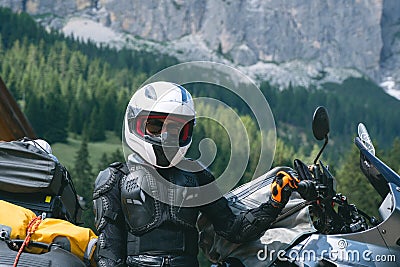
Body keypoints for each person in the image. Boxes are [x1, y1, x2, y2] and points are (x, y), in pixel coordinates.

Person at [92, 81, 300, 267]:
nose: (166, 136)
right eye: (155, 126)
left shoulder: (196, 175)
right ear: (134, 124)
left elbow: (233, 229)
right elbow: (109, 252)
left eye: (176, 129)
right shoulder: (114, 178)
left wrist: (274, 203)